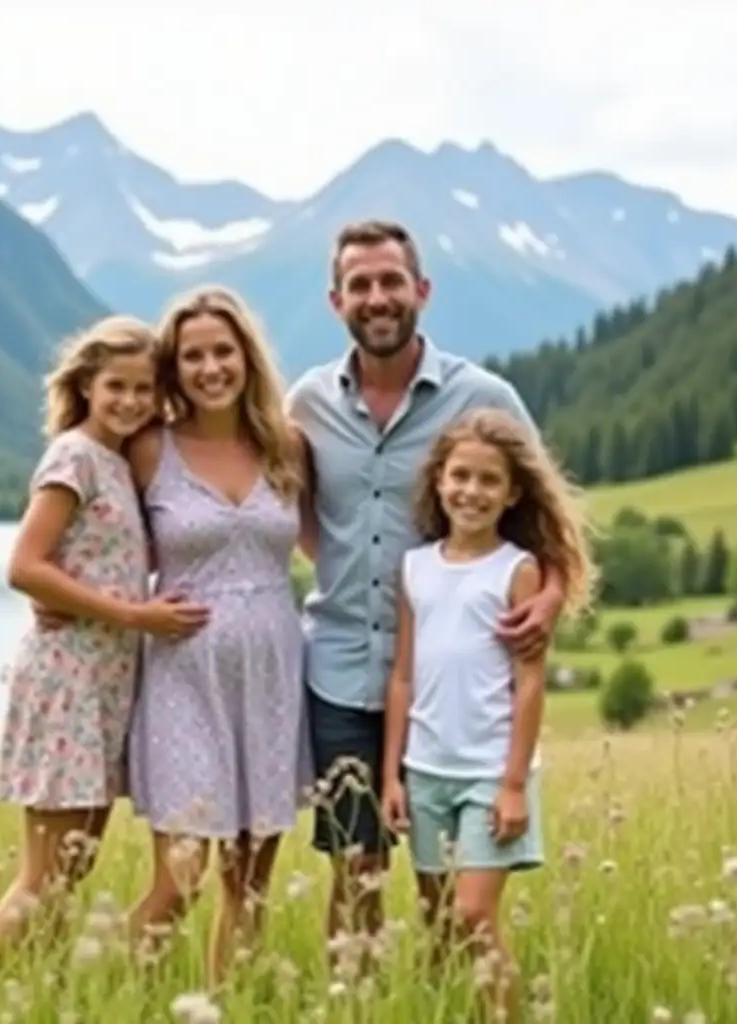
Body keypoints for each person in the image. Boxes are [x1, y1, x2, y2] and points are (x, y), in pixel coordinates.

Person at [286, 220, 570, 954]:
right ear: (335, 300)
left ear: (421, 290)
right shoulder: (307, 404)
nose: (377, 297)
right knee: (356, 874)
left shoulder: (485, 396)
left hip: (450, 694)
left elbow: (549, 519)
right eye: (360, 285)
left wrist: (552, 592)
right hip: (341, 674)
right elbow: (297, 518)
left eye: (390, 281)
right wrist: (342, 567)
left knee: (442, 891)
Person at [0, 315, 211, 966]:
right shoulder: (74, 456)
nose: (132, 401)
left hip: (103, 684)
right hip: (67, 681)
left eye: (145, 390)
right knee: (44, 875)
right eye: (117, 386)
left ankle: (36, 992)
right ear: (86, 385)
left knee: (70, 872)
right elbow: (25, 565)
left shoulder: (115, 459)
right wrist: (133, 615)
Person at [123, 285, 314, 988]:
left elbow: (331, 548)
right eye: (193, 356)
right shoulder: (149, 449)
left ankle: (228, 1007)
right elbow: (104, 544)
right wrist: (83, 608)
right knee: (181, 879)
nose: (210, 368)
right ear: (174, 369)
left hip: (270, 674)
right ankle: (118, 995)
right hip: (182, 675)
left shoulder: (286, 445)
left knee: (249, 885)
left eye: (222, 351)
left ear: (246, 356)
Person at [380, 408, 596, 1021]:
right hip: (425, 768)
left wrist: (511, 784)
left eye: (488, 481)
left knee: (474, 913)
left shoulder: (517, 570)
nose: (471, 492)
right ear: (438, 481)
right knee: (438, 920)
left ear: (512, 493)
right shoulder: (415, 566)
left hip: (487, 773)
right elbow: (402, 675)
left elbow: (529, 683)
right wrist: (391, 774)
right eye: (460, 477)